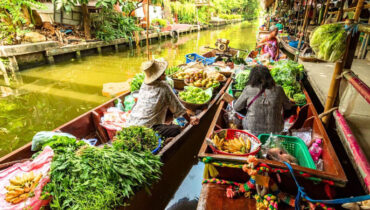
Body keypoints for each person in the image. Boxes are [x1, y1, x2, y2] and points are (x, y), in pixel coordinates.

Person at [126, 59, 199, 138]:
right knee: (177, 129)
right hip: (146, 128)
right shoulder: (164, 86)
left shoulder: (144, 84)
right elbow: (178, 108)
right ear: (159, 75)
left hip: (131, 124)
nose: (165, 73)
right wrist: (190, 119)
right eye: (162, 73)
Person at [233, 65, 294, 136]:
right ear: (269, 76)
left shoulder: (248, 89)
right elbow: (288, 107)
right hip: (275, 132)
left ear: (252, 77)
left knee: (235, 105)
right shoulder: (279, 89)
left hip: (253, 131)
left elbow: (236, 107)